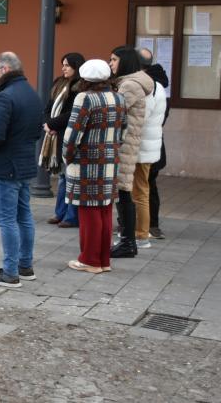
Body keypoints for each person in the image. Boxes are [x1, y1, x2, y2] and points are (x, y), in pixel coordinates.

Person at [0, 52, 43, 288]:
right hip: (25, 162)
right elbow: (38, 131)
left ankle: (10, 272)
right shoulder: (31, 93)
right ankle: (25, 266)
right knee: (24, 216)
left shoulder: (5, 96)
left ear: (5, 70)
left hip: (5, 164)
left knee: (6, 219)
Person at [63, 59, 127, 273]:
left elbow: (73, 134)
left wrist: (67, 156)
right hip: (110, 161)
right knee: (104, 210)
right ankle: (103, 260)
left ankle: (89, 260)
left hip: (86, 163)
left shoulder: (85, 98)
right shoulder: (119, 98)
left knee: (88, 212)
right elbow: (123, 131)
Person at [109, 46, 154, 258]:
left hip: (124, 145)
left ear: (125, 62)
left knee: (124, 192)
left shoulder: (129, 85)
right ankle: (127, 240)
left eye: (114, 60)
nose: (111, 64)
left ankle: (128, 242)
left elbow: (115, 113)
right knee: (123, 191)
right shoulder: (132, 83)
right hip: (127, 143)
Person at [40, 53, 85, 228]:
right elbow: (49, 106)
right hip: (56, 133)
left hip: (69, 135)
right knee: (62, 176)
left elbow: (72, 113)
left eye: (67, 65)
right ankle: (60, 213)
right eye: (62, 64)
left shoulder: (80, 87)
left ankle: (72, 216)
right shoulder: (59, 83)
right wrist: (47, 123)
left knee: (70, 176)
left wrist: (51, 124)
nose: (63, 68)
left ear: (76, 66)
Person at [133, 49, 167, 249]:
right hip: (149, 145)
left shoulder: (148, 87)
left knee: (140, 192)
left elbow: (140, 118)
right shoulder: (158, 86)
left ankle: (141, 234)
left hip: (142, 146)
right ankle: (140, 232)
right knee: (142, 190)